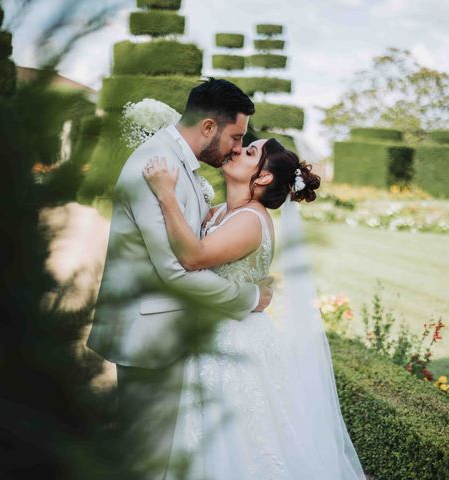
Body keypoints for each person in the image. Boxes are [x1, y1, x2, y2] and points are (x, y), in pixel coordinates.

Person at [142, 138, 367, 479]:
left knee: (242, 445)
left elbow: (194, 256)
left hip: (234, 342)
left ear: (262, 178)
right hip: (209, 333)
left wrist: (166, 194)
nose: (236, 150)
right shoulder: (219, 211)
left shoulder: (251, 220)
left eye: (250, 152)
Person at [85, 78, 274, 480]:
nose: (238, 148)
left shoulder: (177, 161)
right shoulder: (156, 165)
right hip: (150, 334)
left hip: (169, 333)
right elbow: (174, 270)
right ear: (208, 127)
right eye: (236, 137)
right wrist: (248, 297)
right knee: (146, 459)